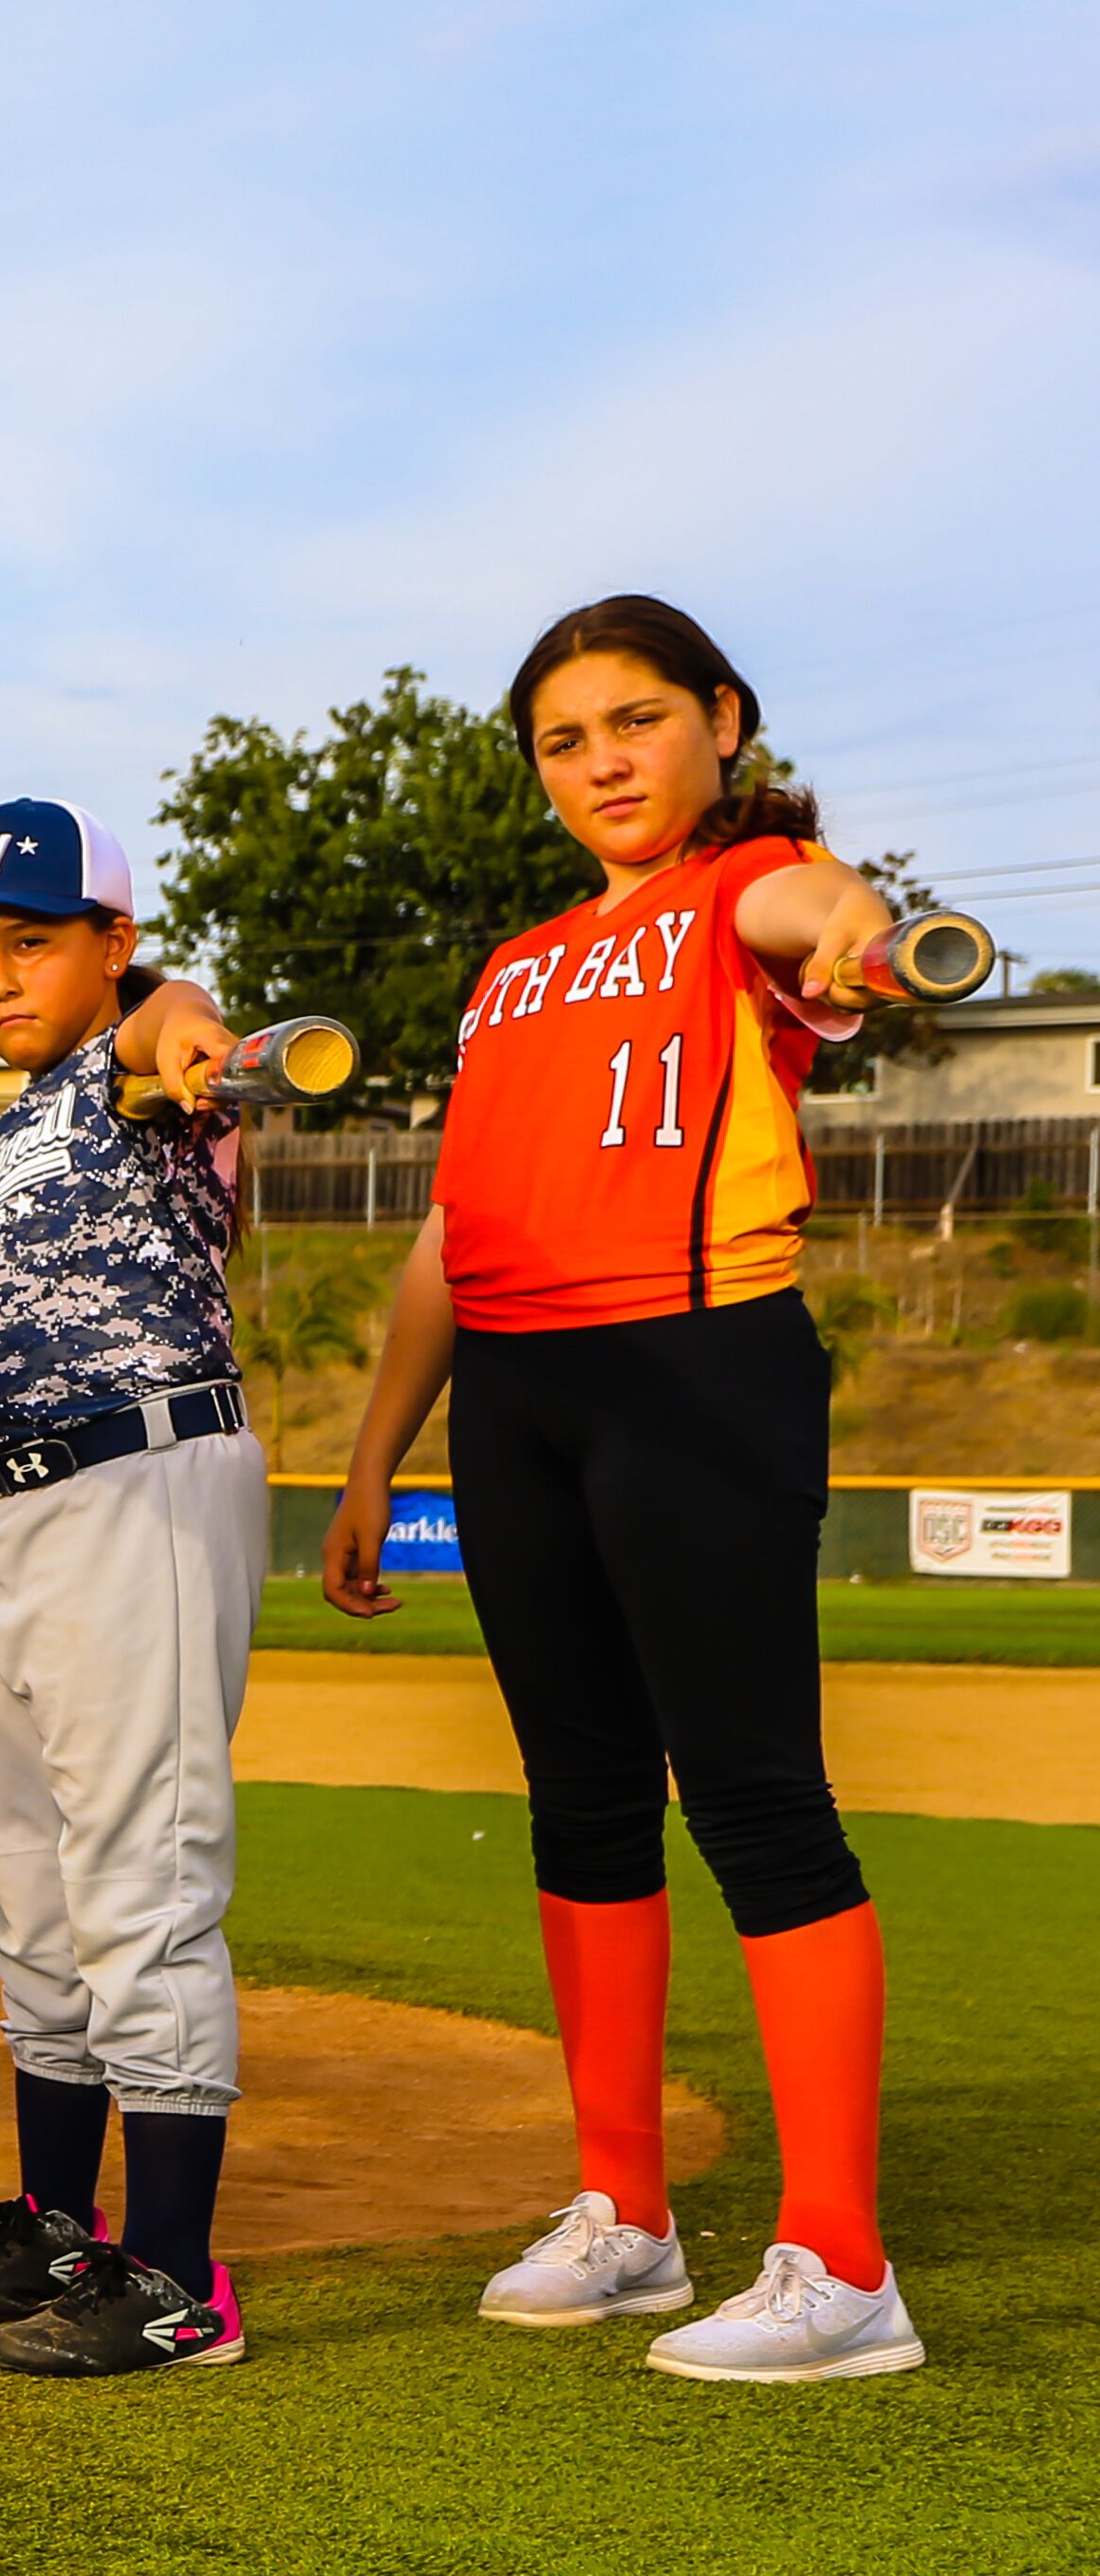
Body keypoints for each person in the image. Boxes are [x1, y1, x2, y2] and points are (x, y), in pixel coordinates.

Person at [324, 595, 924, 2383]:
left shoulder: (745, 887)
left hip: (695, 1366)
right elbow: (450, 1228)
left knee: (752, 1794)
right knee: (582, 1803)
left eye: (641, 719)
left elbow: (829, 919)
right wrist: (375, 1456)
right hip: (517, 1390)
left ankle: (841, 2262)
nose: (606, 760)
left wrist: (866, 936)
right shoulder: (510, 968)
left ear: (720, 722)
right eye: (567, 738)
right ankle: (629, 2217)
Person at [0, 799, 257, 2377]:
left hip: (136, 1478)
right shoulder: (22, 1119)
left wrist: (181, 1025)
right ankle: (59, 2220)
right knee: (35, 1887)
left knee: (139, 1873)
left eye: (32, 941)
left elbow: (179, 1021)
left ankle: (175, 2280)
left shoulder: (140, 1073)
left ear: (110, 940)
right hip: (17, 1510)